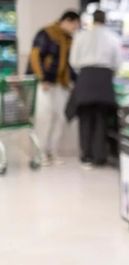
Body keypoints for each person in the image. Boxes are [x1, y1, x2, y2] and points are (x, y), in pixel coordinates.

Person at [67, 10, 122, 168]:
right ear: (105, 20)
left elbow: (74, 61)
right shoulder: (113, 37)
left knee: (85, 118)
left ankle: (86, 156)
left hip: (85, 77)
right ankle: (100, 157)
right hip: (104, 79)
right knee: (101, 119)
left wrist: (84, 72)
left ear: (93, 20)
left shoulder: (81, 36)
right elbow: (118, 63)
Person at [27, 10, 80, 166]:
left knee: (60, 118)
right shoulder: (46, 33)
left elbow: (68, 64)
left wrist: (73, 81)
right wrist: (42, 78)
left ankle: (52, 152)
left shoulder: (68, 39)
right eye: (75, 25)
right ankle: (40, 153)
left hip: (60, 84)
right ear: (68, 21)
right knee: (44, 118)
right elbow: (35, 56)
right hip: (45, 84)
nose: (75, 29)